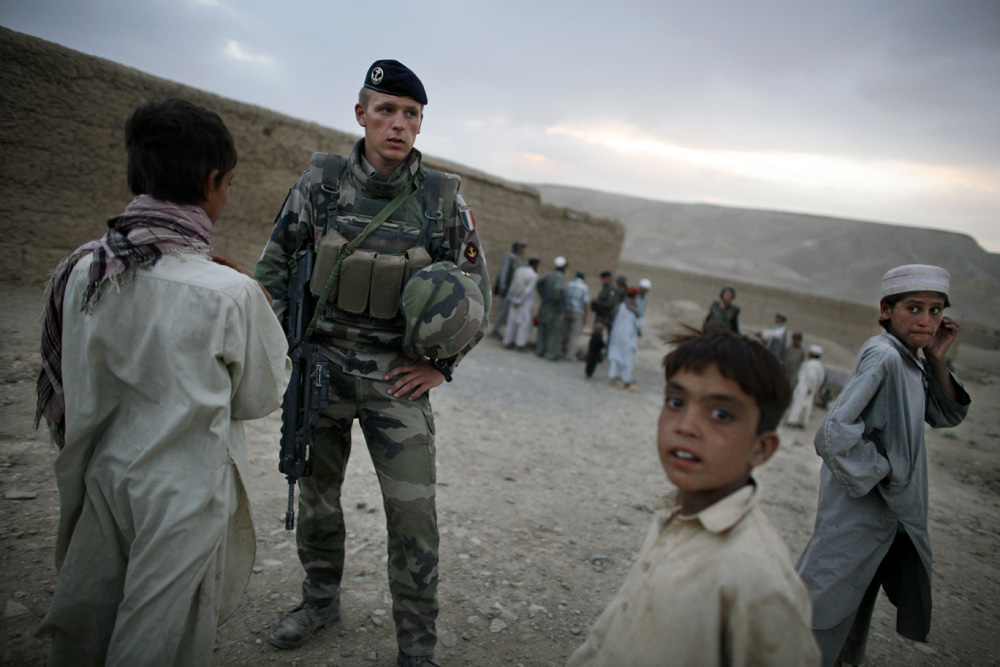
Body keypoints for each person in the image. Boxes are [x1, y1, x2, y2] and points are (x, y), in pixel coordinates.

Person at [34, 98, 291, 666]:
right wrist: (259, 302)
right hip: (184, 494)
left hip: (101, 475)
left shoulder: (84, 269)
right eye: (229, 183)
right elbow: (259, 395)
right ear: (211, 182)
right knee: (158, 635)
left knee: (88, 616)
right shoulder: (229, 291)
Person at [254, 60, 491, 666]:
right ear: (361, 114)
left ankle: (416, 648)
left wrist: (445, 366)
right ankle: (319, 602)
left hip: (397, 381)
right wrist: (289, 346)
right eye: (386, 109)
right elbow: (275, 268)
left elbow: (476, 297)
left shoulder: (442, 200)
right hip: (322, 370)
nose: (398, 123)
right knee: (317, 498)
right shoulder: (321, 184)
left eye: (411, 114)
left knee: (413, 517)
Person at [567, 332, 819, 666]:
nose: (686, 426)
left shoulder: (760, 579)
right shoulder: (673, 514)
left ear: (761, 448)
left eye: (722, 415)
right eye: (676, 402)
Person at [795, 265, 970, 667]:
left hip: (885, 516)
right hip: (858, 510)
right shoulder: (884, 355)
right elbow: (833, 432)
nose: (926, 320)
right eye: (914, 308)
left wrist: (937, 359)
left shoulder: (910, 361)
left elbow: (947, 416)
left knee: (852, 607)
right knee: (821, 606)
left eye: (935, 310)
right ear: (886, 310)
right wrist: (886, 472)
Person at [606, 287, 644, 391]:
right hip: (628, 338)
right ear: (635, 297)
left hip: (616, 336)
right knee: (628, 359)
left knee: (615, 358)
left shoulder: (620, 306)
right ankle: (627, 382)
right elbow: (638, 324)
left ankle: (612, 379)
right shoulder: (634, 310)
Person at [504, 256, 540, 351]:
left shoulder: (519, 270)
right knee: (523, 324)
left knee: (511, 322)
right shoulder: (533, 275)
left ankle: (508, 342)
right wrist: (519, 301)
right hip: (524, 304)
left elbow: (512, 285)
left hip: (513, 300)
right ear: (536, 264)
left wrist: (512, 299)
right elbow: (527, 291)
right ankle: (519, 345)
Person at [490, 241, 525, 339]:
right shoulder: (509, 257)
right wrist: (502, 286)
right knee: (502, 309)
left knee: (507, 311)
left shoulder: (518, 259)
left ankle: (500, 330)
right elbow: (504, 272)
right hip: (506, 289)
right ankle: (495, 330)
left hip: (512, 290)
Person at [535, 256, 568, 361]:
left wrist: (543, 296)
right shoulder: (561, 277)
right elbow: (558, 288)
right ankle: (549, 354)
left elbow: (539, 284)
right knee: (553, 332)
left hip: (545, 306)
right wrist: (556, 299)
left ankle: (539, 350)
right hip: (554, 308)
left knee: (542, 329)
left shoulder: (549, 276)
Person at [785, 345, 825, 429]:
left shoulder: (810, 364)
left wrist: (810, 387)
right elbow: (821, 378)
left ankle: (792, 420)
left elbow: (812, 376)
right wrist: (815, 388)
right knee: (807, 405)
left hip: (805, 387)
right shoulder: (820, 366)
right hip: (812, 389)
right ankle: (802, 422)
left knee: (798, 403)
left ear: (811, 354)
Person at [561, 270, 591, 361]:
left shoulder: (569, 285)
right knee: (574, 335)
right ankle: (570, 355)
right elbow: (586, 302)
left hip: (567, 310)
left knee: (563, 332)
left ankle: (560, 351)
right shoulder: (584, 288)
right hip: (578, 312)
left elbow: (564, 296)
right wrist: (586, 314)